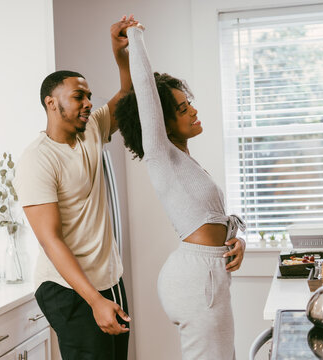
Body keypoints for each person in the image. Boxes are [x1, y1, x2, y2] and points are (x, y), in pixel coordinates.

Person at [115, 25, 246, 359]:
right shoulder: (160, 155)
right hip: (196, 279)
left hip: (207, 273)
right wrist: (136, 37)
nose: (193, 111)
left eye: (190, 103)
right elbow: (145, 90)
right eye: (182, 108)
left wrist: (237, 242)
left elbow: (209, 220)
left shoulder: (185, 162)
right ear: (162, 121)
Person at [13, 16, 137, 360]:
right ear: (52, 103)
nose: (87, 103)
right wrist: (94, 300)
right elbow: (50, 239)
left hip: (109, 279)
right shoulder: (37, 160)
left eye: (89, 96)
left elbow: (127, 95)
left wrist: (120, 53)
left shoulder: (92, 129)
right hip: (68, 289)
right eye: (78, 96)